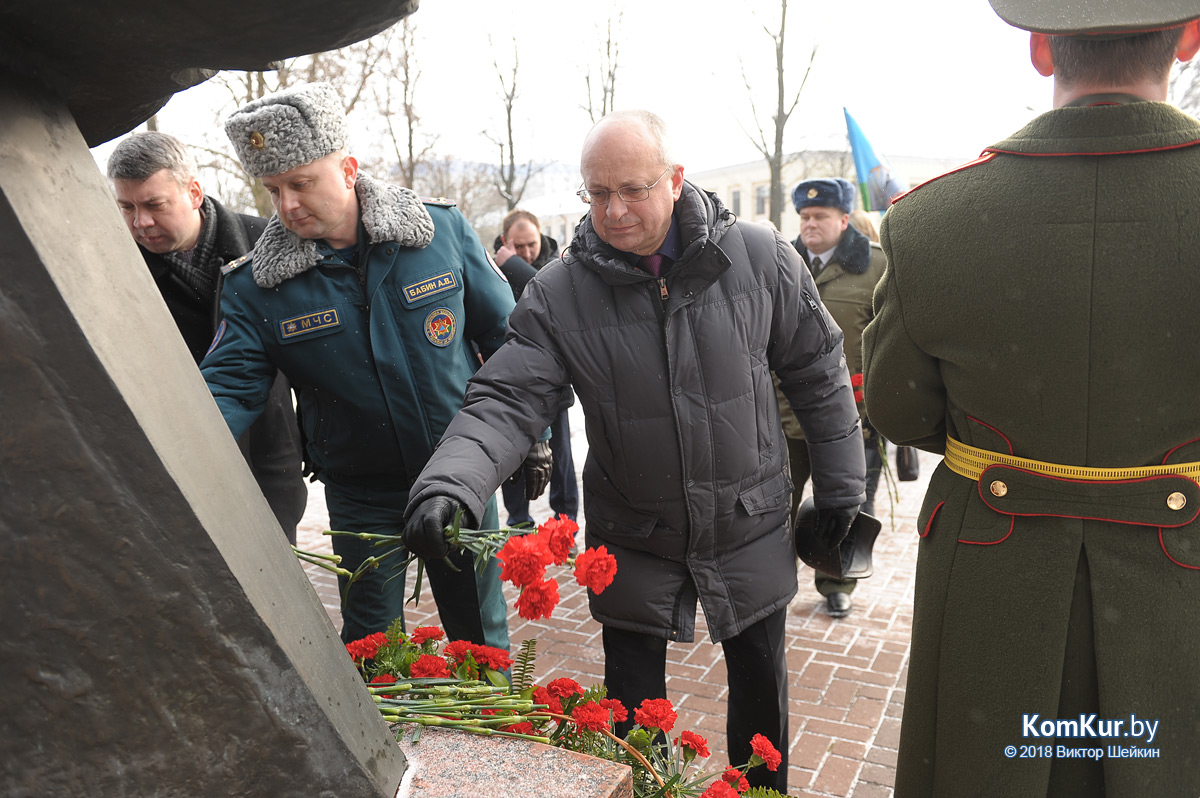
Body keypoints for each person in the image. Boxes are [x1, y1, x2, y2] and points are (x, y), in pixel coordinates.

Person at [403, 110, 866, 791]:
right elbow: (506, 399)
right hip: (634, 530)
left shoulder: (761, 257)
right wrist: (450, 485)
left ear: (675, 181)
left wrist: (841, 492)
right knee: (629, 713)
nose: (614, 210)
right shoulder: (561, 294)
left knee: (762, 703)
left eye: (633, 189)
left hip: (749, 516)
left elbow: (818, 371)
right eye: (597, 193)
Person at [862, 2, 1200, 794]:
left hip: (994, 574)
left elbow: (898, 411)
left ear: (1042, 50)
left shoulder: (929, 221)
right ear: (1190, 38)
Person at [200, 82, 545, 649]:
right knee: (372, 644)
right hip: (362, 495)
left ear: (349, 168)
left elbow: (513, 341)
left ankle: (493, 739)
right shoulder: (257, 288)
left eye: (301, 183)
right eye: (274, 189)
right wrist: (176, 452)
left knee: (480, 638)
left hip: (460, 472)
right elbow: (227, 392)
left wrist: (534, 437)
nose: (285, 206)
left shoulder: (439, 234)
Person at [107, 132, 307, 543]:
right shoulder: (116, 268)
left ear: (194, 192)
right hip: (178, 457)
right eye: (126, 207)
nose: (140, 222)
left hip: (270, 452)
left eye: (154, 205)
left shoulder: (268, 242)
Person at [776, 178, 886, 618]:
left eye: (820, 216)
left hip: (850, 416)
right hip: (782, 415)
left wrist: (880, 402)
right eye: (804, 217)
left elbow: (888, 341)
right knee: (774, 506)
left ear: (844, 219)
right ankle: (775, 581)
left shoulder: (876, 268)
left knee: (843, 503)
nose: (810, 224)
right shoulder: (778, 263)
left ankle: (836, 581)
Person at [492, 209, 579, 526]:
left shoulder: (560, 264)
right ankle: (519, 524)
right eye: (520, 247)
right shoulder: (491, 270)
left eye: (532, 244)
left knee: (561, 459)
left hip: (555, 379)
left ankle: (564, 524)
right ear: (505, 242)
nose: (528, 252)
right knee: (512, 457)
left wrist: (513, 265)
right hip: (513, 381)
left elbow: (550, 296)